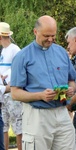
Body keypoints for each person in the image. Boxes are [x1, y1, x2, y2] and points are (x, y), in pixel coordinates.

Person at [10, 15, 76, 150]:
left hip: (62, 112)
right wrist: (40, 95)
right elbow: (15, 93)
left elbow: (72, 80)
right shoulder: (22, 56)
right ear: (35, 31)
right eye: (46, 35)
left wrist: (71, 89)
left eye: (53, 35)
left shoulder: (62, 53)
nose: (51, 39)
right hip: (36, 115)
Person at [0, 22, 22, 150]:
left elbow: (18, 69)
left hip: (11, 93)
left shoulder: (15, 49)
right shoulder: (4, 51)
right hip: (3, 94)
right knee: (4, 125)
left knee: (17, 124)